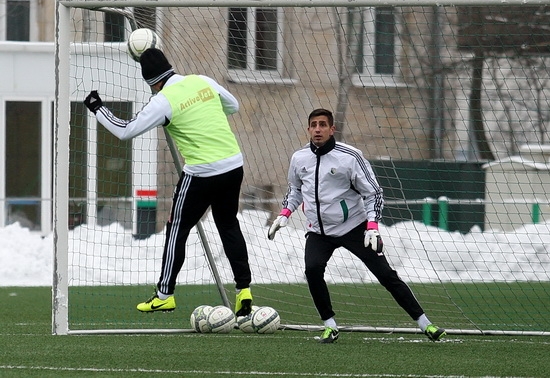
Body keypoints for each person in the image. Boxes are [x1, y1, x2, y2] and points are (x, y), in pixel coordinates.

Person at [84, 48, 253, 316]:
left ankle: (165, 295)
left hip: (202, 172)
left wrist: (97, 108)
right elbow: (233, 106)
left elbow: (126, 131)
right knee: (228, 225)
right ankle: (244, 291)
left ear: (153, 83)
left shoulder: (162, 101)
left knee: (177, 228)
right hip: (233, 165)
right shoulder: (202, 80)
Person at [267, 108, 446, 343]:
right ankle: (329, 326)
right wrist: (285, 213)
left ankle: (426, 324)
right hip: (318, 231)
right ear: (308, 129)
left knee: (385, 275)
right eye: (313, 125)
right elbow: (296, 189)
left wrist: (372, 226)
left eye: (322, 124)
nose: (317, 129)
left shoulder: (350, 156)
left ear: (332, 129)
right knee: (312, 270)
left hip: (354, 227)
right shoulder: (299, 158)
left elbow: (373, 193)